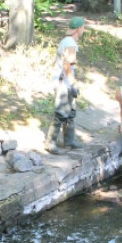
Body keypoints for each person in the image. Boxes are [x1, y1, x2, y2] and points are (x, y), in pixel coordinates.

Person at [45, 16, 87, 153]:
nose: (84, 29)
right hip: (64, 82)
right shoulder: (70, 44)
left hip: (66, 81)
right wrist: (73, 84)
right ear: (78, 29)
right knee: (61, 113)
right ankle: (50, 143)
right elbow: (67, 65)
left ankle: (69, 140)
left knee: (70, 112)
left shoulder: (68, 41)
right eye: (83, 27)